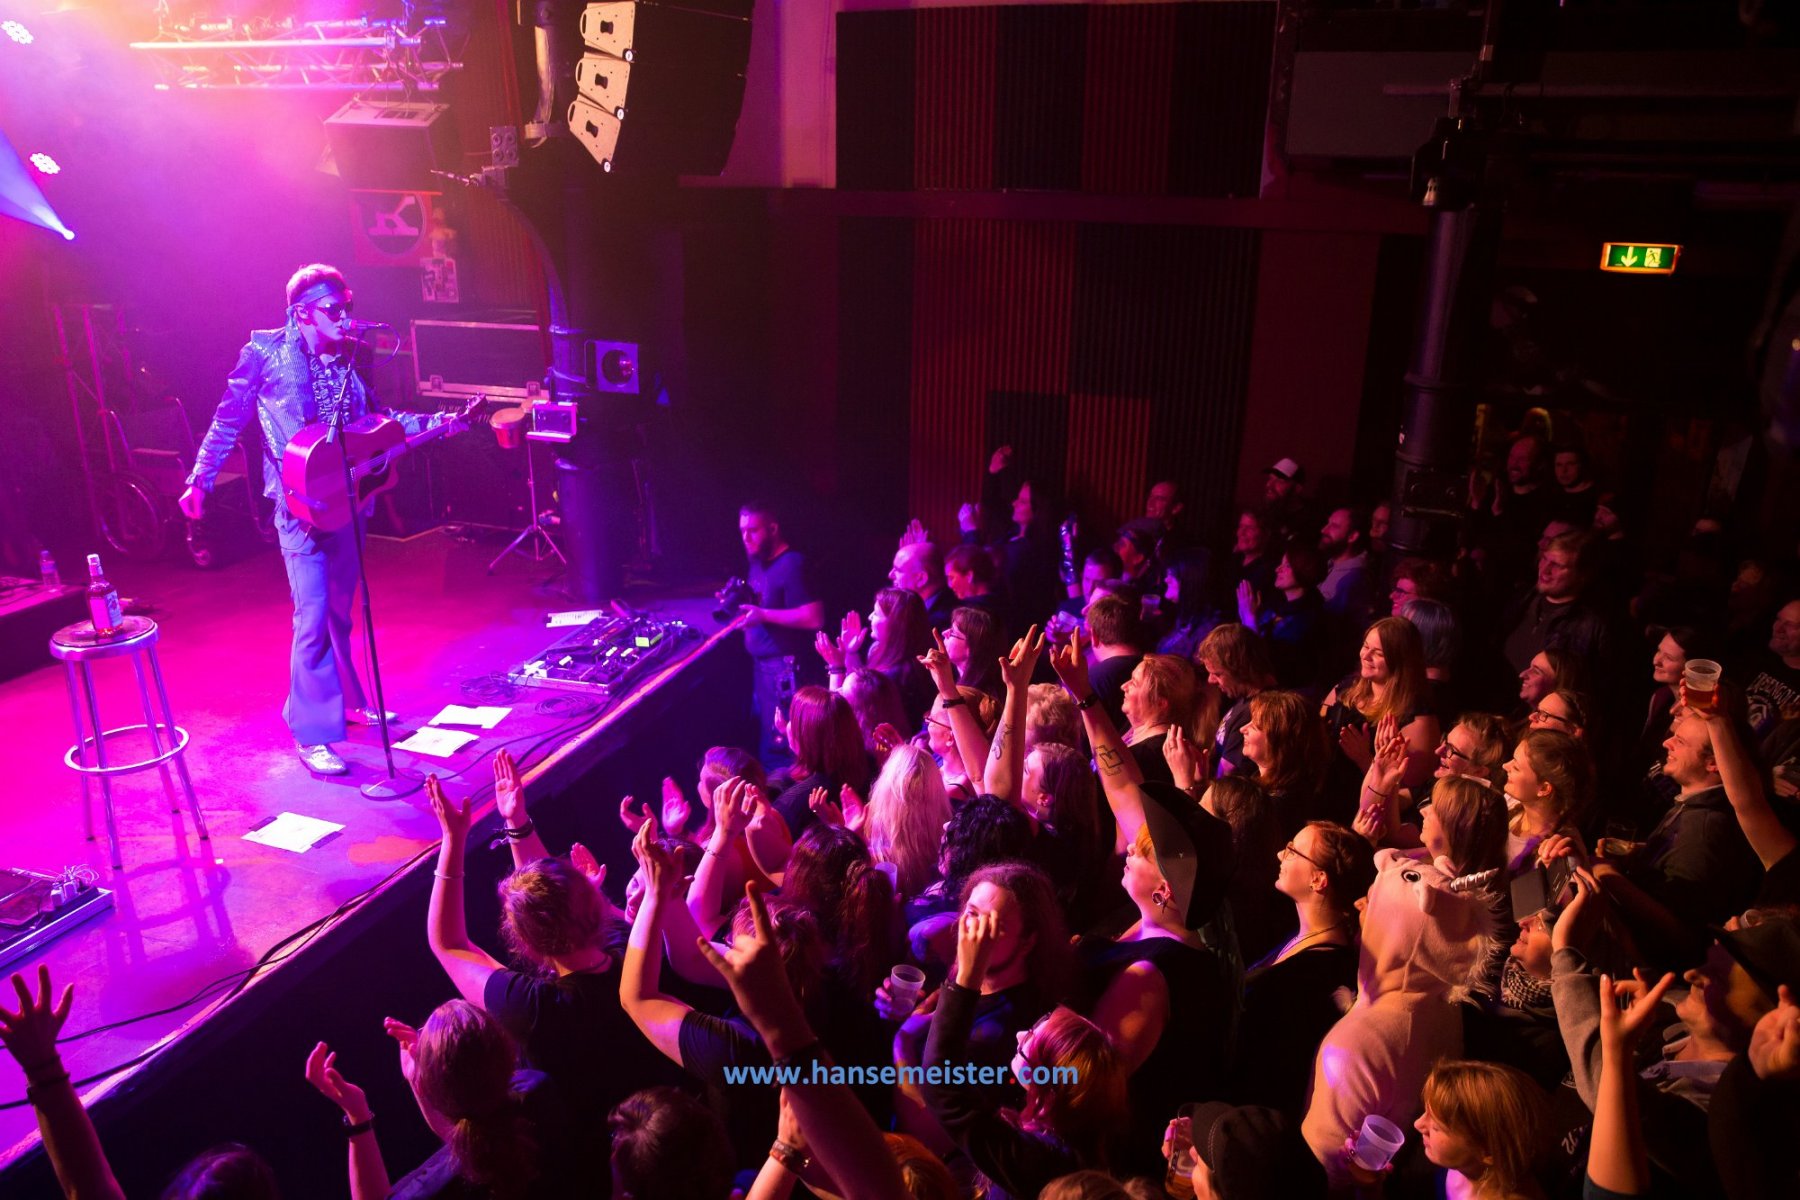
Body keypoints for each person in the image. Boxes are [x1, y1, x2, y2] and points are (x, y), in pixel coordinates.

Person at [179, 264, 470, 775]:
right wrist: (200, 480)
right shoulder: (265, 353)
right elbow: (227, 420)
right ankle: (312, 731)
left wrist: (439, 422)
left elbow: (377, 423)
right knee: (312, 618)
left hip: (347, 501)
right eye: (333, 309)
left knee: (339, 614)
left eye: (346, 306)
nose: (344, 317)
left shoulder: (349, 358)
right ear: (302, 313)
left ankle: (351, 702)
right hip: (298, 508)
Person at [421, 772, 678, 1145]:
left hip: (597, 1156)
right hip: (663, 1127)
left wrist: (453, 839)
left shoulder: (535, 1008)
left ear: (526, 945)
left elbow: (448, 943)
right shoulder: (633, 949)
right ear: (594, 900)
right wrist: (518, 824)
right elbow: (556, 893)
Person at [923, 910, 1129, 1200]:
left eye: (1032, 1037)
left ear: (1050, 1090)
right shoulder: (1074, 1139)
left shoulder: (1044, 1162)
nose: (1021, 1035)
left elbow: (944, 1090)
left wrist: (966, 977)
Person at [1233, 820, 1377, 1119]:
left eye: (1292, 850)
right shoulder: (1299, 934)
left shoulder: (1319, 974)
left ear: (1318, 880)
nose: (1279, 855)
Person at [735, 500, 826, 764]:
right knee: (768, 740)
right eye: (742, 531)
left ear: (773, 529)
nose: (746, 538)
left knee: (783, 745)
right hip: (762, 668)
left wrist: (763, 615)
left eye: (753, 530)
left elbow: (814, 617)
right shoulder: (758, 562)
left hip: (783, 670)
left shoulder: (792, 564)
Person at [1198, 624, 1277, 781]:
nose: (1210, 680)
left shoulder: (1255, 713)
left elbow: (1225, 780)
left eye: (1217, 674)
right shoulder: (1244, 700)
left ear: (1241, 670)